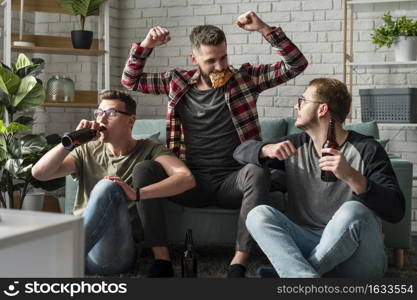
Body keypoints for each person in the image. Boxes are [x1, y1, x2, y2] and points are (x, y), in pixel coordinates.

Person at [121, 11, 308, 278]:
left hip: (231, 181)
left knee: (257, 171)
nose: (220, 67)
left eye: (223, 58)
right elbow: (130, 80)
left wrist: (264, 29)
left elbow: (296, 64)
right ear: (194, 59)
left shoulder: (244, 79)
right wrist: (146, 45)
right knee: (143, 170)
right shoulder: (176, 82)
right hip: (188, 181)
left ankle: (238, 264)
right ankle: (161, 260)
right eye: (211, 61)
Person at [233, 78, 405, 278]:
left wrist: (351, 176)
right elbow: (239, 152)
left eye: (303, 101)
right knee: (258, 214)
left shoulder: (367, 149)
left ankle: (296, 274)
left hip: (358, 257)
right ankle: (304, 276)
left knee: (354, 210)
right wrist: (266, 148)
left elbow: (396, 210)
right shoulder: (294, 146)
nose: (296, 106)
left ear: (322, 109)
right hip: (308, 242)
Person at [31, 90, 196, 275]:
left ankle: (58, 259)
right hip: (85, 250)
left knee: (108, 185)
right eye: (99, 113)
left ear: (130, 120)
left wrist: (136, 194)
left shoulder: (149, 148)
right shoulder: (86, 150)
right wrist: (70, 142)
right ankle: (65, 256)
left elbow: (186, 178)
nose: (102, 119)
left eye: (110, 113)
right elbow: (39, 174)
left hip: (113, 256)